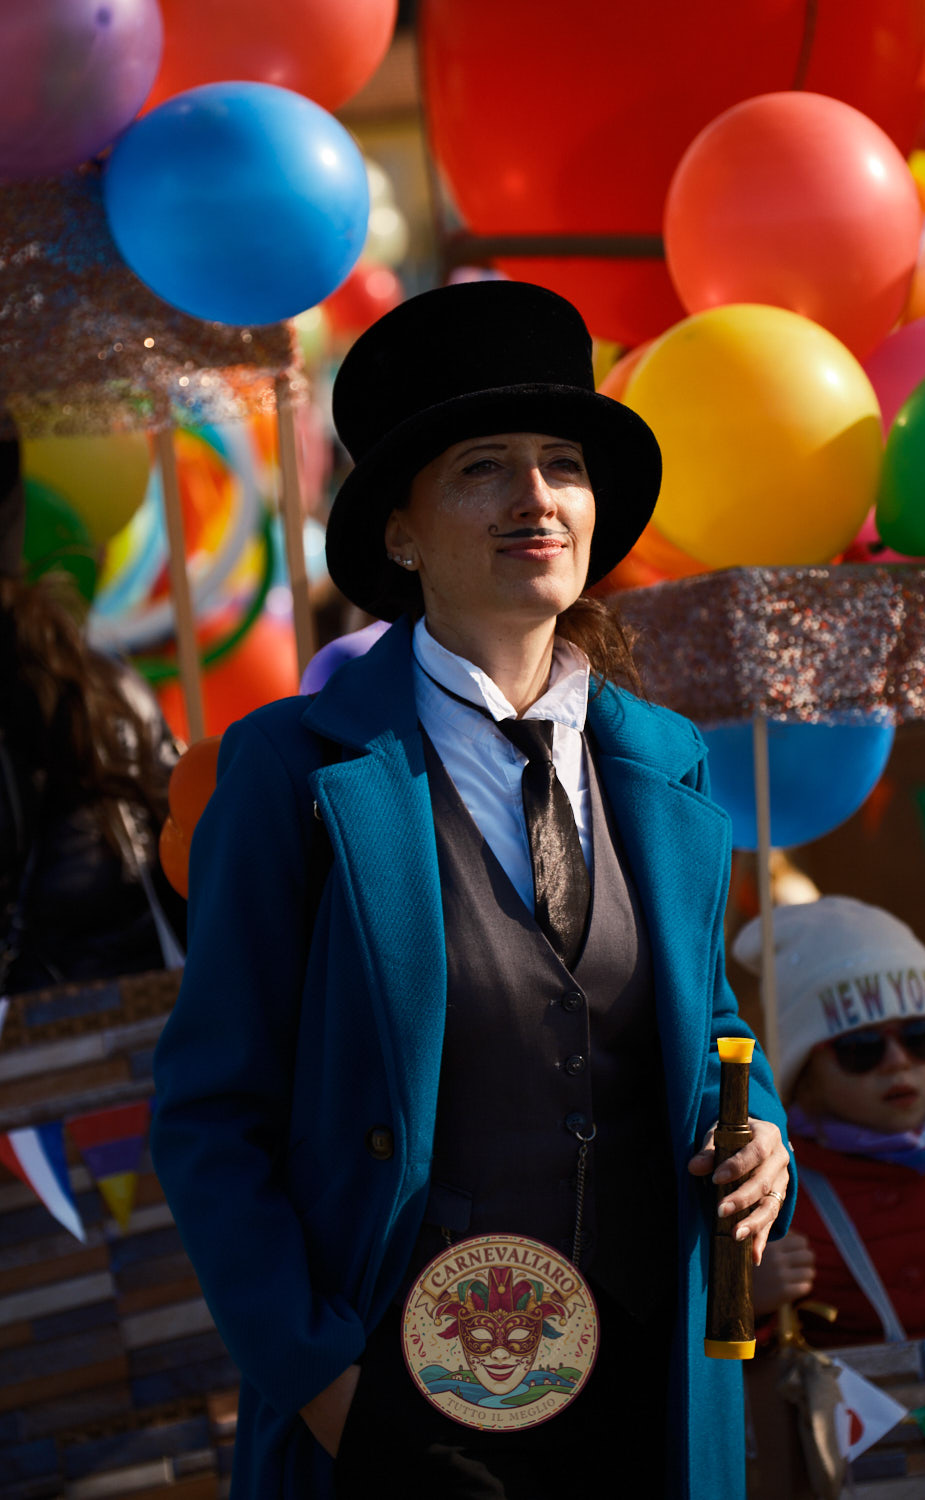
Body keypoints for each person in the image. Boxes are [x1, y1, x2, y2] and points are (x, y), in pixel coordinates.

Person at [150, 279, 793, 1500]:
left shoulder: (666, 758)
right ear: (400, 533)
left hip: (650, 1400)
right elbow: (208, 1115)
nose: (535, 497)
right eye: (483, 468)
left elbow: (713, 1027)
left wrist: (763, 1134)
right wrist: (327, 1387)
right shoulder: (289, 771)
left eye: (563, 465)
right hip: (401, 1409)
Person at [739, 895, 925, 1347]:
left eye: (922, 1036)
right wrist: (749, 1300)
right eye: (861, 1048)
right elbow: (758, 1370)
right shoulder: (777, 1186)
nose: (898, 1062)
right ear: (806, 1073)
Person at [0, 438, 184, 993]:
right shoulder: (110, 683)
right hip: (139, 1009)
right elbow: (189, 855)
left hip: (52, 1019)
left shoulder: (105, 685)